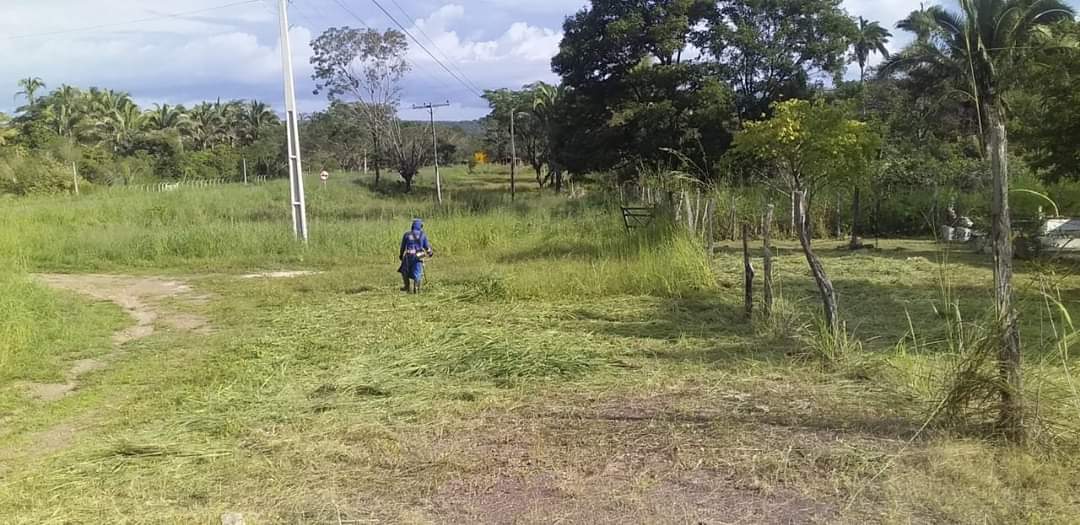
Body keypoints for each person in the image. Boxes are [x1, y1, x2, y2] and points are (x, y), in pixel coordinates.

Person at [398, 218, 433, 293]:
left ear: (412, 226)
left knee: (405, 271)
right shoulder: (423, 235)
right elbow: (427, 247)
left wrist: (401, 255)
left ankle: (407, 287)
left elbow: (403, 246)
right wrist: (430, 253)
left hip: (408, 256)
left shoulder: (406, 235)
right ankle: (416, 288)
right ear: (420, 226)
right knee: (417, 273)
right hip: (418, 256)